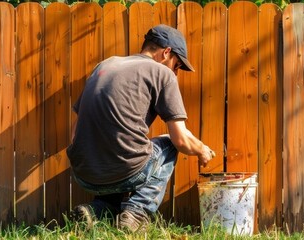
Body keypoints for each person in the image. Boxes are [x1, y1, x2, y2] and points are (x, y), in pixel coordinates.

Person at [67, 24, 216, 232]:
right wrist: (202, 150)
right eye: (177, 65)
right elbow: (180, 139)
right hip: (125, 171)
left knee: (122, 155)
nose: (176, 72)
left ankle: (96, 211)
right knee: (168, 144)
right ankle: (137, 213)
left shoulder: (104, 66)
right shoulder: (162, 73)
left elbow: (74, 133)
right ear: (166, 53)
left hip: (84, 173)